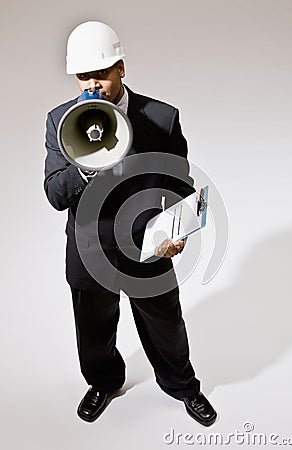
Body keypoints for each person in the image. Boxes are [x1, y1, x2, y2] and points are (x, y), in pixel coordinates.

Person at [44, 21, 217, 426]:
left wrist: (178, 232)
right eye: (83, 76)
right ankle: (103, 383)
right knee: (94, 327)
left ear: (121, 68)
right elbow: (54, 194)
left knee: (166, 324)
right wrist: (85, 163)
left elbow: (180, 184)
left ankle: (183, 387)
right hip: (90, 246)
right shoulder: (59, 121)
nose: (92, 85)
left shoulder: (161, 116)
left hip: (148, 243)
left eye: (101, 74)